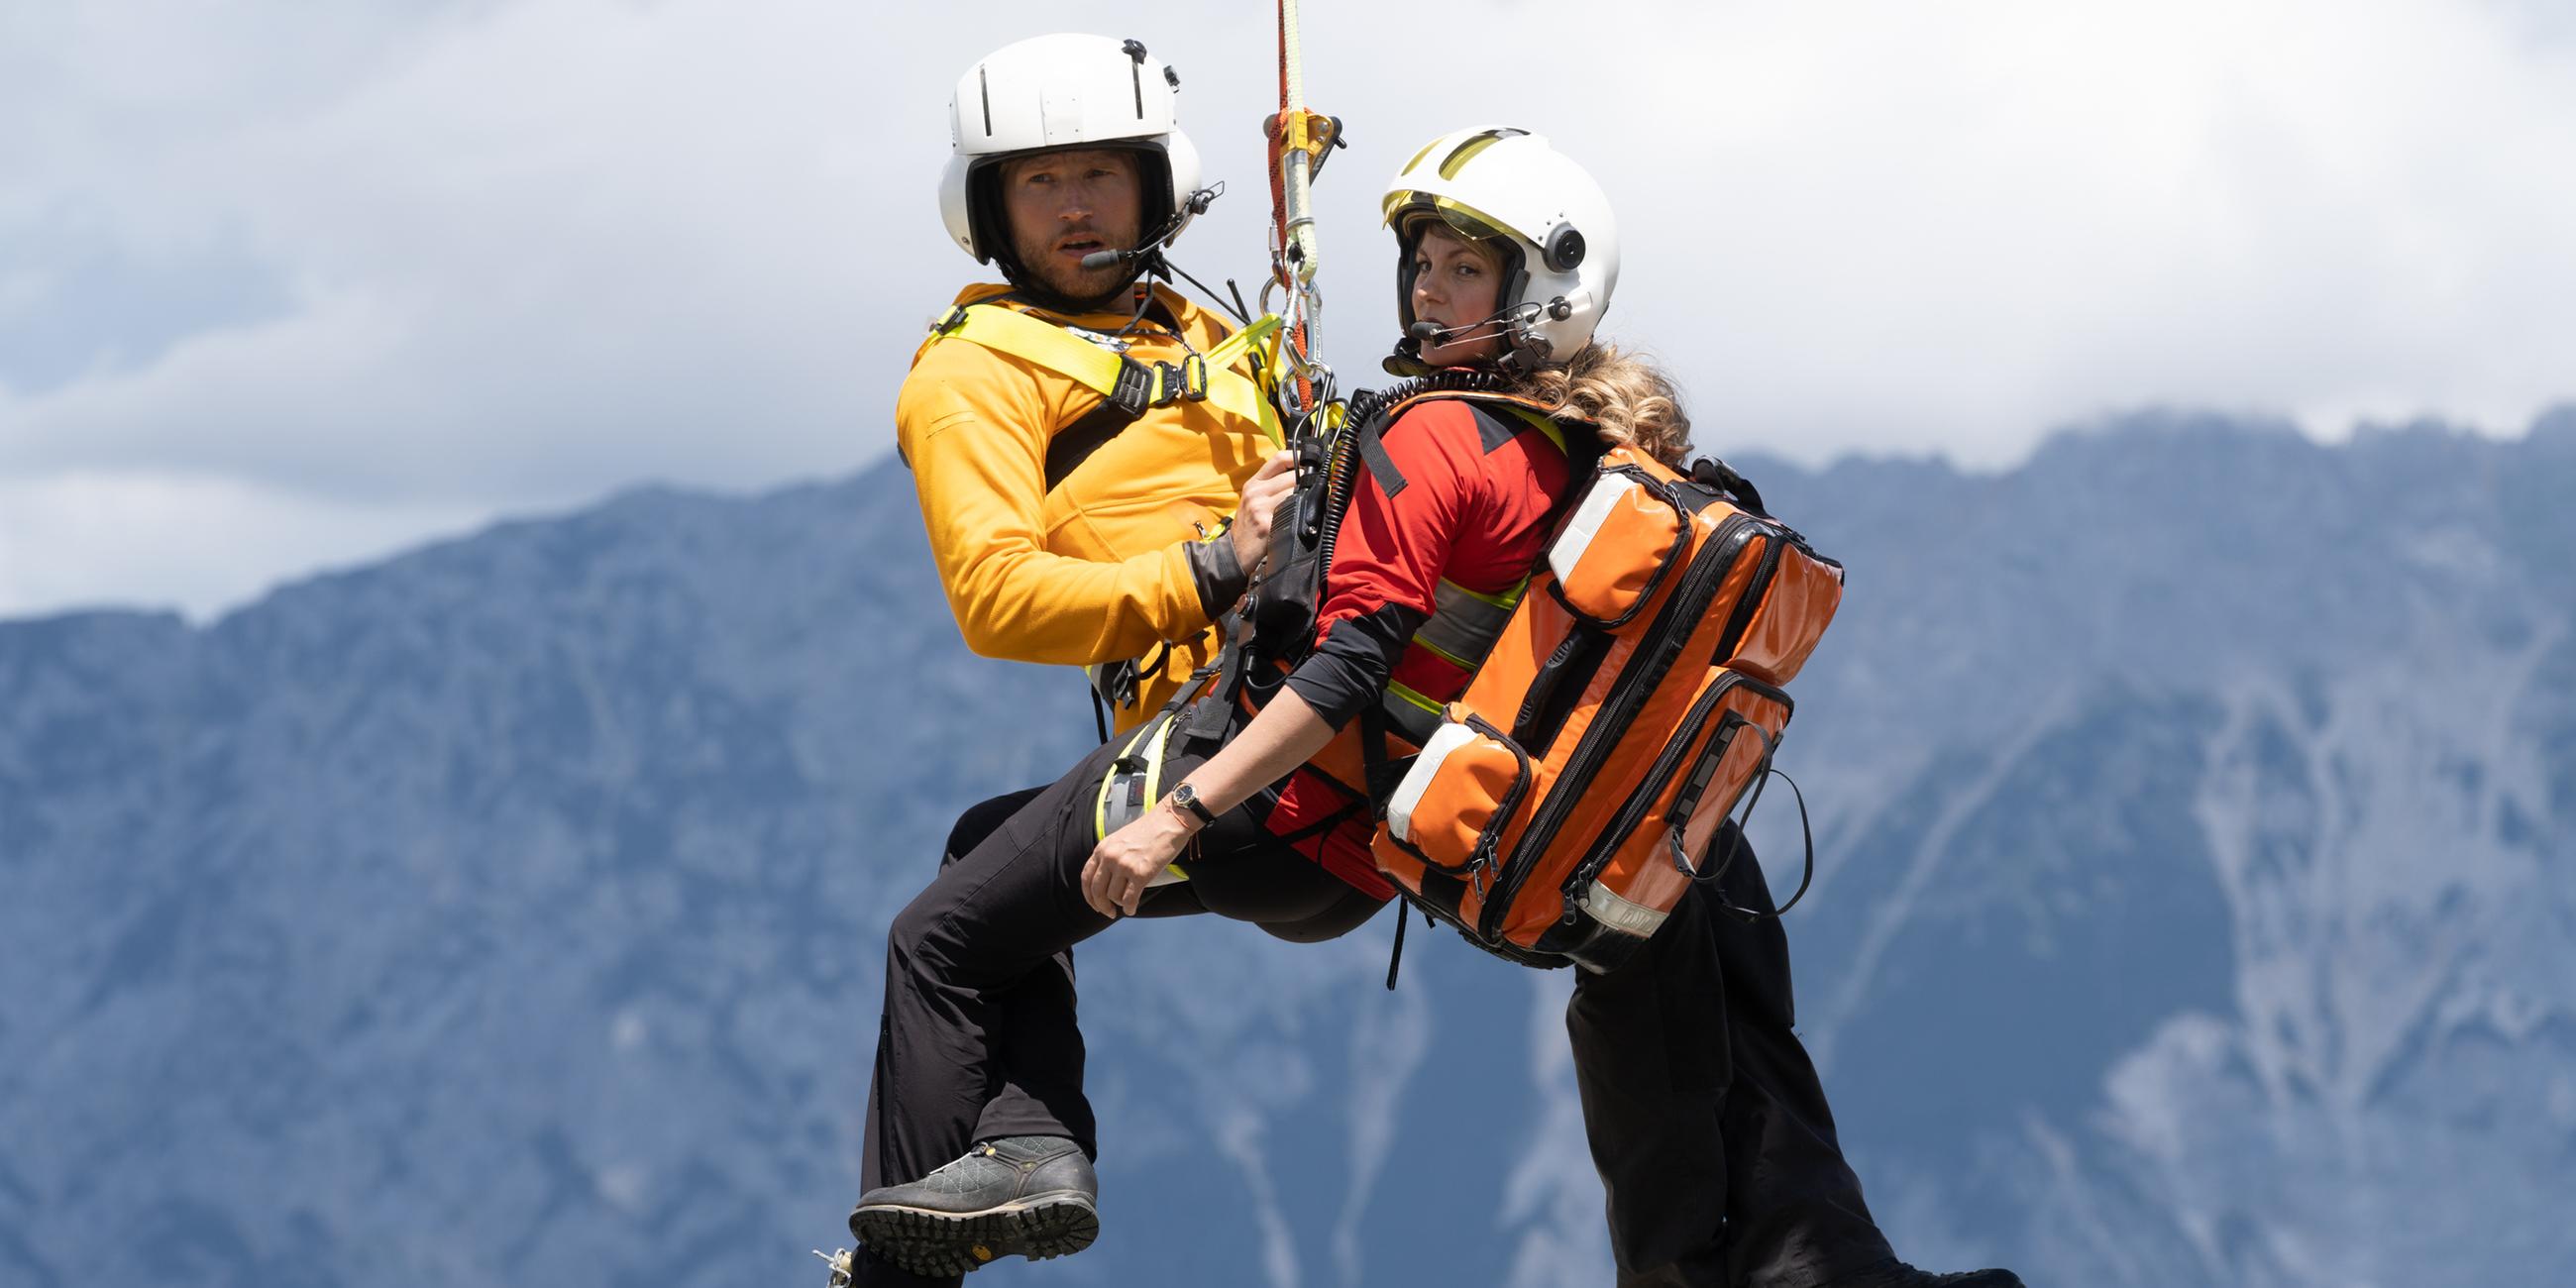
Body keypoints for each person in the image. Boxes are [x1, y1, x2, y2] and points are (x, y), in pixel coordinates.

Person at [840, 99, 2022, 1288]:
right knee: (1682, 947)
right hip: (1425, 832)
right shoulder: (1609, 461)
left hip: (1274, 793)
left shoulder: (1429, 437)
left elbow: (1344, 662)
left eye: (1463, 269)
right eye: (1421, 264)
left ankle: (940, 1233)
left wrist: (1180, 805)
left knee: (942, 928)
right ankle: (1802, 1268)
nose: (1423, 292)